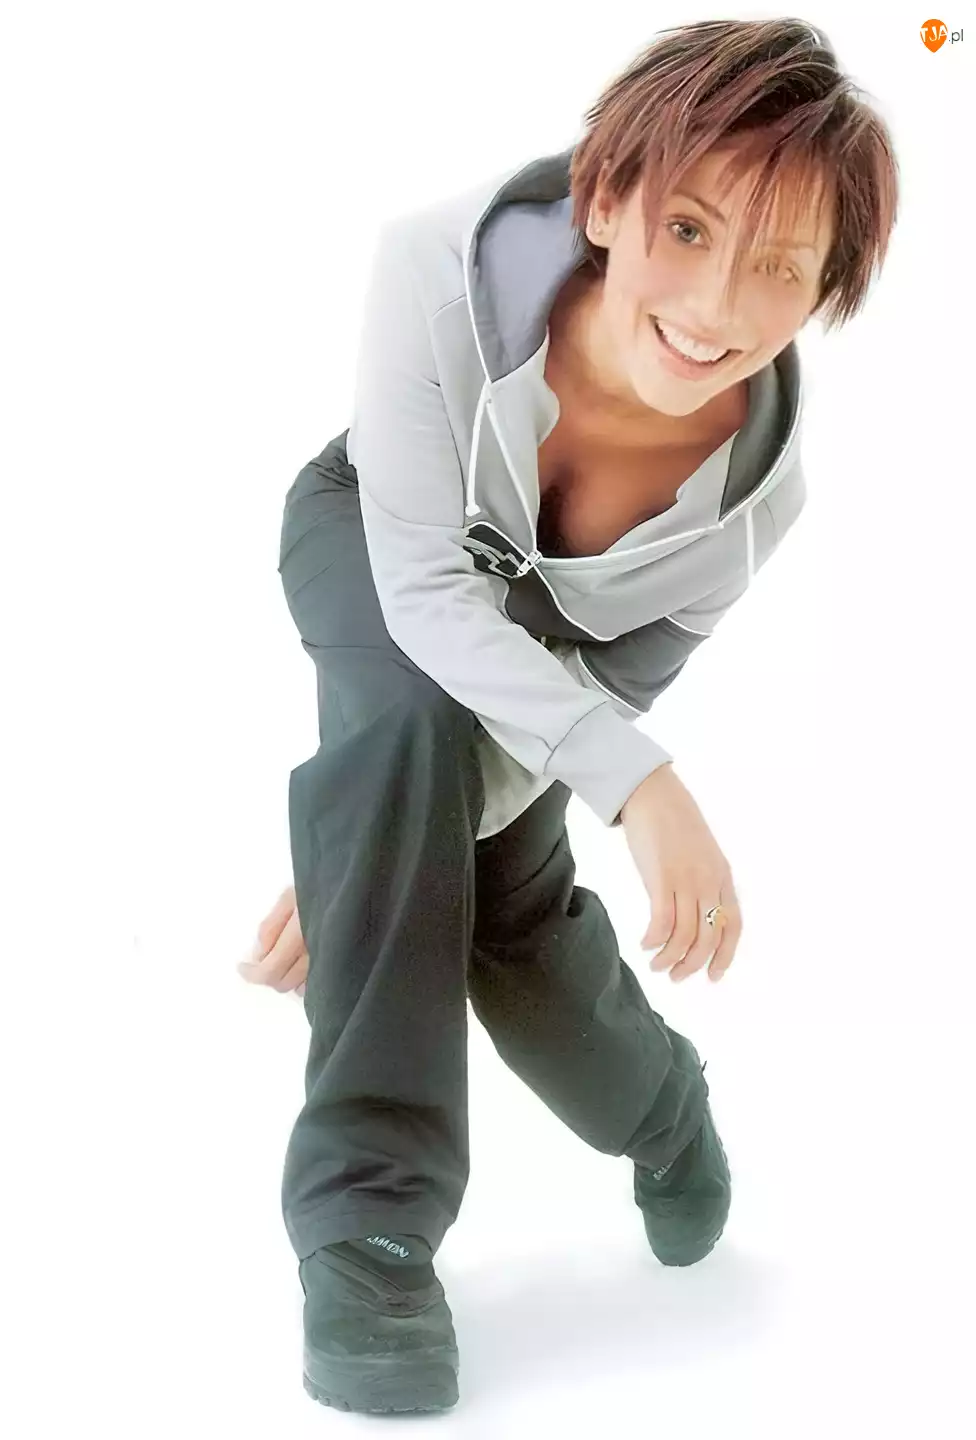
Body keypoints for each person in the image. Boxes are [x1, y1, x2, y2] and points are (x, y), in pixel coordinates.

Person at [236, 19, 899, 1416]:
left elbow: (602, 694)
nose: (716, 304)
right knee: (406, 725)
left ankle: (663, 1111)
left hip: (547, 671)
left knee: (508, 915)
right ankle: (368, 1232)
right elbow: (424, 591)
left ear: (826, 293)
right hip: (381, 537)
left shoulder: (752, 507)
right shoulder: (434, 266)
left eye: (781, 267)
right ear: (604, 199)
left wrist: (372, 853)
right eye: (688, 228)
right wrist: (641, 788)